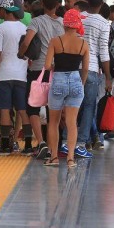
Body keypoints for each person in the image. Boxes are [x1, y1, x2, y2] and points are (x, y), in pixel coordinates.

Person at [64, 0, 111, 158]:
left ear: (87, 1)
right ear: (102, 4)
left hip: (71, 65)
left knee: (70, 104)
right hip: (91, 69)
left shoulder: (77, 16)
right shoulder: (104, 23)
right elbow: (103, 52)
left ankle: (65, 140)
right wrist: (108, 77)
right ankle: (81, 143)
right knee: (89, 106)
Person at [18, 0, 63, 159]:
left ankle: (42, 142)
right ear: (58, 4)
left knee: (33, 108)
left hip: (38, 70)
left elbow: (26, 43)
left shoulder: (36, 22)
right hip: (57, 71)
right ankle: (53, 148)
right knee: (53, 109)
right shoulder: (63, 23)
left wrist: (21, 55)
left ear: (43, 4)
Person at [43, 9, 89, 168]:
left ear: (65, 24)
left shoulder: (55, 41)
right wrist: (81, 84)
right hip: (76, 80)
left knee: (54, 122)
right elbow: (85, 69)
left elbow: (47, 65)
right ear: (78, 24)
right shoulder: (84, 43)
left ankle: (54, 158)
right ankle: (70, 159)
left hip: (59, 80)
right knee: (71, 122)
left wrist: (57, 66)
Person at [0, 0, 31, 155]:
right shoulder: (23, 27)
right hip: (21, 75)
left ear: (3, 10)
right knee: (22, 109)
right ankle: (27, 145)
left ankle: (5, 146)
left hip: (3, 75)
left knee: (5, 109)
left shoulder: (0, 28)